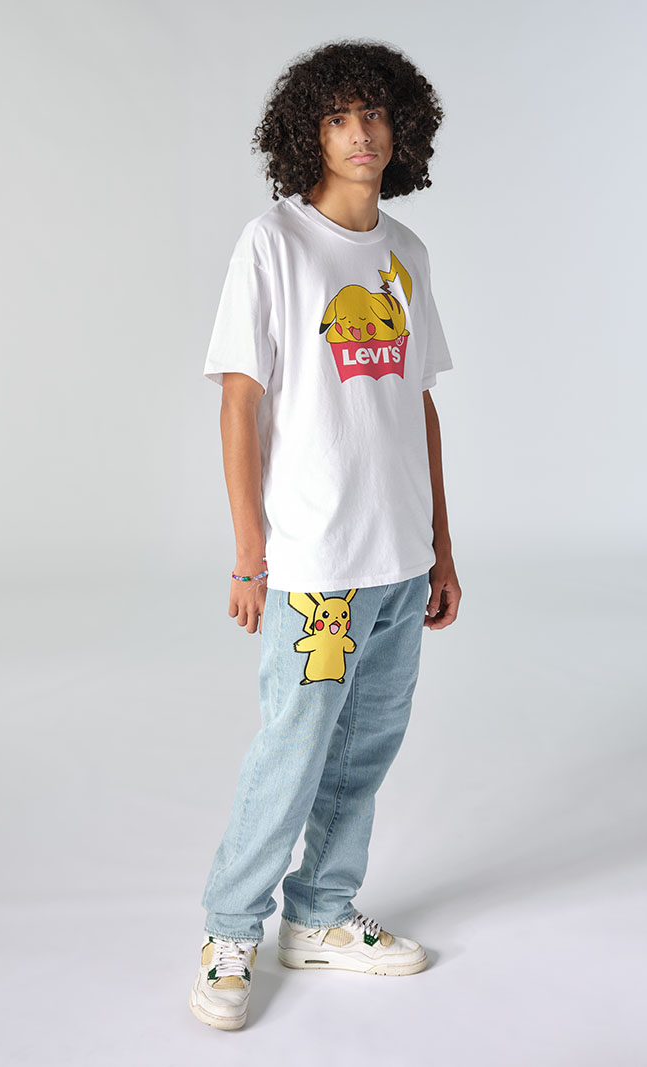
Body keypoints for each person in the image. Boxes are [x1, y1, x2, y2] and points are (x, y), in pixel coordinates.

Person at [189, 38, 462, 1030]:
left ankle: (319, 913)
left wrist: (441, 547)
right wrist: (249, 553)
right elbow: (240, 400)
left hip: (398, 562)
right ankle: (230, 929)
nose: (360, 133)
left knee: (364, 751)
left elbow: (417, 404)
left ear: (402, 129)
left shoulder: (405, 254)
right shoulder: (274, 243)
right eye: (340, 116)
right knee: (294, 746)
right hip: (316, 568)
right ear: (310, 132)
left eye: (375, 114)